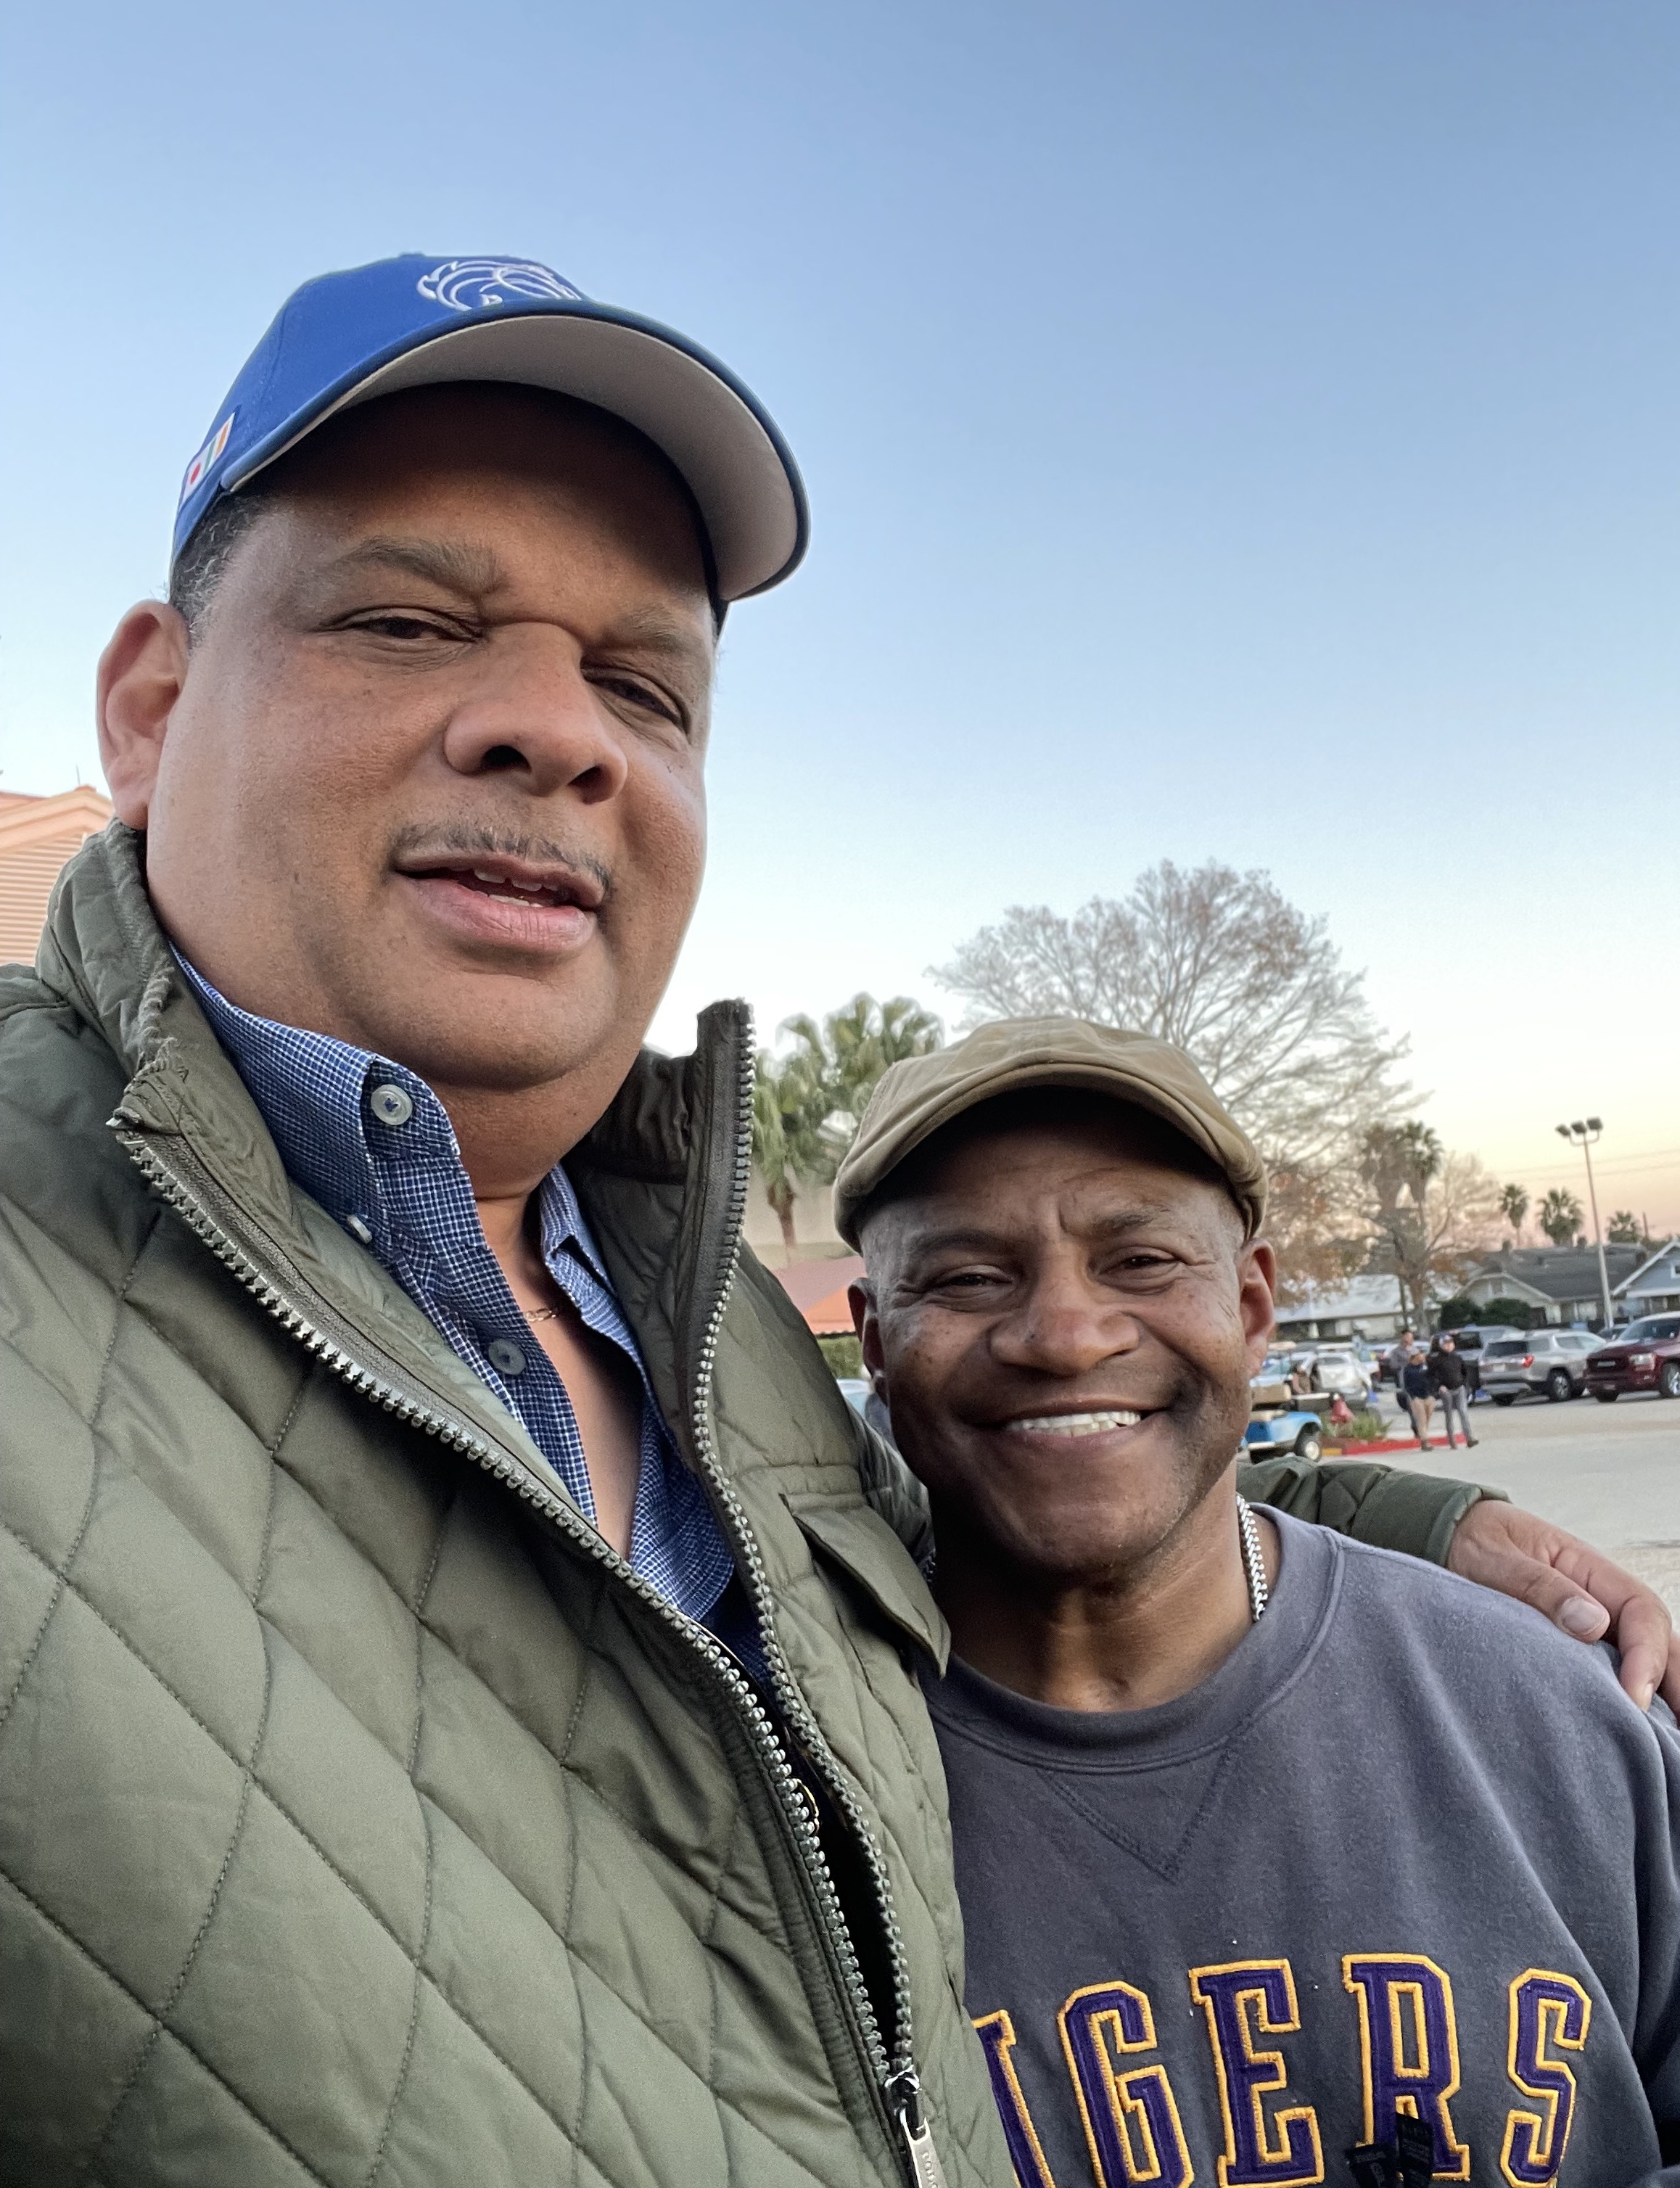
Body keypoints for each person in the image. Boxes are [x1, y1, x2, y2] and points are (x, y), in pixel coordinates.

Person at [0, 256, 1671, 2187]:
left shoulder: (700, 1339)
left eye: (642, 683)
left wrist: (1410, 1522)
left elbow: (1025, 1482)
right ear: (150, 705)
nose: (560, 733)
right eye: (401, 619)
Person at [833, 1019, 1680, 2181]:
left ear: (1251, 1303)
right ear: (878, 1341)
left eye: (1140, 1261)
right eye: (970, 1278)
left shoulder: (1562, 1720)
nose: (1067, 1336)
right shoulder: (794, 1807)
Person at [1430, 1332, 1478, 1449]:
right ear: (1441, 1346)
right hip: (1446, 1391)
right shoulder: (1436, 1360)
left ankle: (1469, 1438)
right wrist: (1439, 1386)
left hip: (1459, 1388)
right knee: (1449, 1415)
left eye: (1450, 1343)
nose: (1449, 1346)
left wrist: (1464, 1384)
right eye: (1446, 1344)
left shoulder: (1457, 1357)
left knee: (1463, 1412)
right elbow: (1431, 1376)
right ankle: (1452, 1440)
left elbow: (1464, 1372)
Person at [1403, 1348, 1437, 1448]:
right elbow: (1407, 1384)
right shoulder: (1408, 1369)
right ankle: (1425, 1441)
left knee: (1427, 1418)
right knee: (1421, 1419)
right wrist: (1413, 1397)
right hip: (1417, 1398)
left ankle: (1424, 1436)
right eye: (1420, 1355)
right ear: (1415, 1357)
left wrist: (1433, 1393)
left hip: (1428, 1396)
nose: (1422, 1356)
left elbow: (1433, 1378)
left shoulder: (1426, 1366)